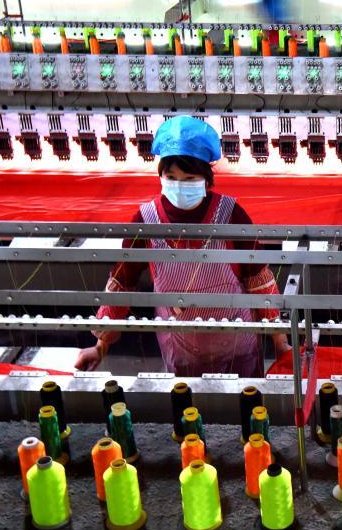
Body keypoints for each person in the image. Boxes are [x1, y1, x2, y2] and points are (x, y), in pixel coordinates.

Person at [75, 116, 289, 376]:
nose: (179, 185)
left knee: (246, 403)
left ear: (206, 180)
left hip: (237, 343)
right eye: (171, 177)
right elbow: (122, 281)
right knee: (188, 406)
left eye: (189, 179)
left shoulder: (230, 214)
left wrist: (280, 342)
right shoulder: (147, 220)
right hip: (181, 346)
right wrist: (100, 346)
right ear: (161, 176)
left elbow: (259, 279)